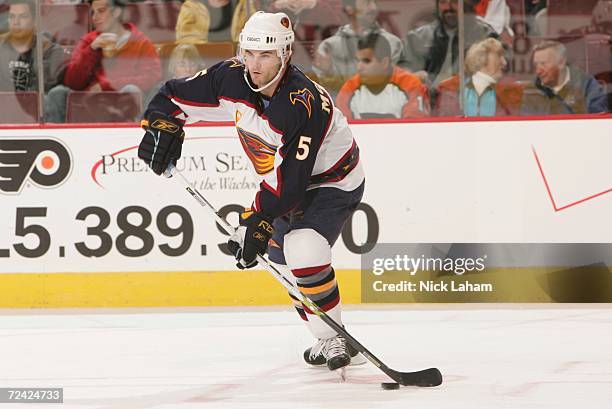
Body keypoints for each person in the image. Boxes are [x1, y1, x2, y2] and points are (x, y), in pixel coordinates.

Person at [137, 11, 365, 372]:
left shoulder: (302, 103)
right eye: (249, 53)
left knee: (303, 248)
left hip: (332, 181)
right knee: (281, 263)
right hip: (286, 182)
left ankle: (336, 336)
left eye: (266, 55)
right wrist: (162, 125)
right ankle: (326, 337)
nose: (255, 64)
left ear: (285, 55)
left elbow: (289, 186)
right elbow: (171, 97)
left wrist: (255, 219)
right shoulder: (229, 77)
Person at [45, 0, 161, 122]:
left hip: (121, 105)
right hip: (88, 104)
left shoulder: (141, 42)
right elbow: (72, 81)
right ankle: (58, 137)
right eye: (93, 13)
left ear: (116, 12)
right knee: (57, 93)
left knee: (131, 91)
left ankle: (131, 135)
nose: (95, 17)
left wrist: (107, 85)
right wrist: (92, 49)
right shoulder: (88, 41)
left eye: (101, 11)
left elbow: (151, 78)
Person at [313, 0, 404, 95]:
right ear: (349, 9)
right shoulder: (329, 46)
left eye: (375, 2)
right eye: (367, 3)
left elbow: (398, 85)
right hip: (343, 106)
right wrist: (327, 72)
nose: (373, 8)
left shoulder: (393, 43)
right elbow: (323, 93)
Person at [403, 0, 498, 87]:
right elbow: (405, 75)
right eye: (443, 2)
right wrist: (416, 76)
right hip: (429, 101)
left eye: (454, 1)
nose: (448, 7)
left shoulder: (485, 35)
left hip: (470, 100)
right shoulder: (417, 37)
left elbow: (494, 75)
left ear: (466, 4)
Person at [336, 32, 430, 119]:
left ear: (385, 62)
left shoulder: (411, 85)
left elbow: (414, 128)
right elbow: (342, 129)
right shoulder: (349, 88)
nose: (359, 67)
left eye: (366, 61)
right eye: (358, 61)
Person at [435, 37, 522, 116]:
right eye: (499, 56)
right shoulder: (451, 89)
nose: (504, 62)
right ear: (482, 58)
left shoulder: (510, 91)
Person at [520, 40, 608, 115]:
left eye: (544, 64)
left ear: (561, 63)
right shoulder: (531, 90)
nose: (538, 71)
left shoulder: (587, 86)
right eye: (536, 65)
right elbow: (527, 126)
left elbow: (598, 125)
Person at [0, 0, 65, 92]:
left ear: (35, 20)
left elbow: (44, 88)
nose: (16, 22)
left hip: (34, 104)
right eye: (12, 16)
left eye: (23, 16)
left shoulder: (51, 50)